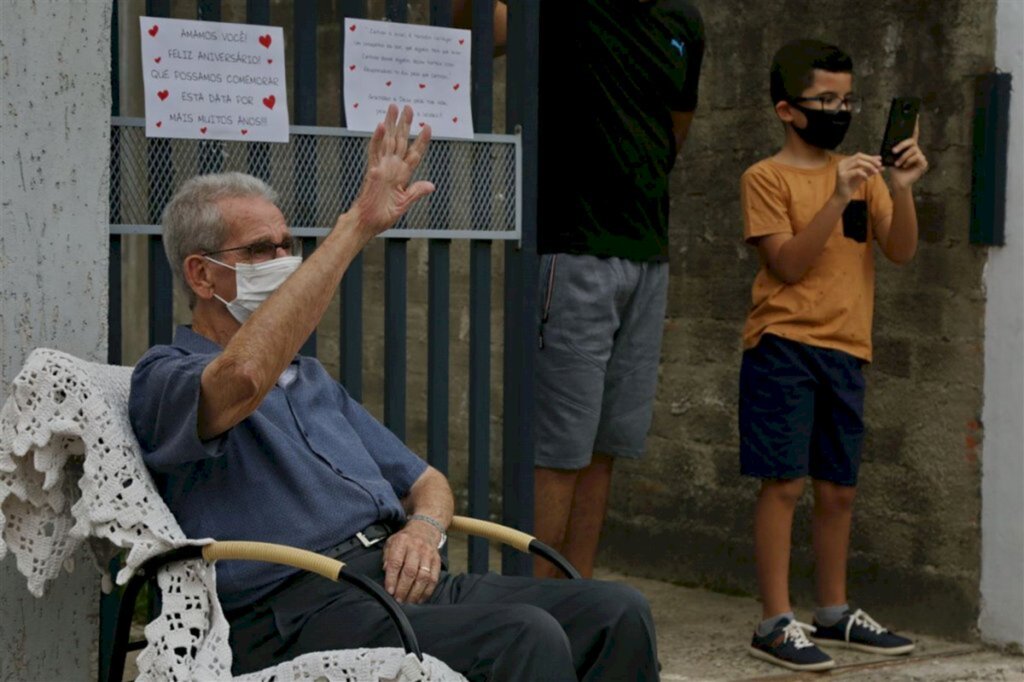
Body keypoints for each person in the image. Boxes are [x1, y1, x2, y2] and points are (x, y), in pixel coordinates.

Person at [127, 105, 658, 681]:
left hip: (395, 582)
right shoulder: (165, 376)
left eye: (287, 244)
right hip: (298, 608)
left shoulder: (310, 379)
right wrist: (356, 224)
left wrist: (424, 531)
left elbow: (427, 483)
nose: (283, 260)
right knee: (524, 638)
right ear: (201, 276)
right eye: (259, 250)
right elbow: (242, 379)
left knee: (616, 610)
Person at [738, 40, 928, 671]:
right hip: (783, 345)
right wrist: (837, 197)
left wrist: (898, 188)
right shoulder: (765, 177)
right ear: (788, 110)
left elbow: (900, 250)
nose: (840, 111)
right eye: (826, 100)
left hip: (848, 349)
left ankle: (834, 610)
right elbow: (787, 265)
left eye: (847, 100)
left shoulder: (864, 174)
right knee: (785, 482)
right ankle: (774, 621)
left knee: (839, 489)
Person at [533, 0, 705, 579]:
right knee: (558, 451)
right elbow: (477, 29)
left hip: (647, 254)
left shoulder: (684, 21)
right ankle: (532, 614)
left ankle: (578, 606)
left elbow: (674, 132)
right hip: (576, 248)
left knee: (605, 448)